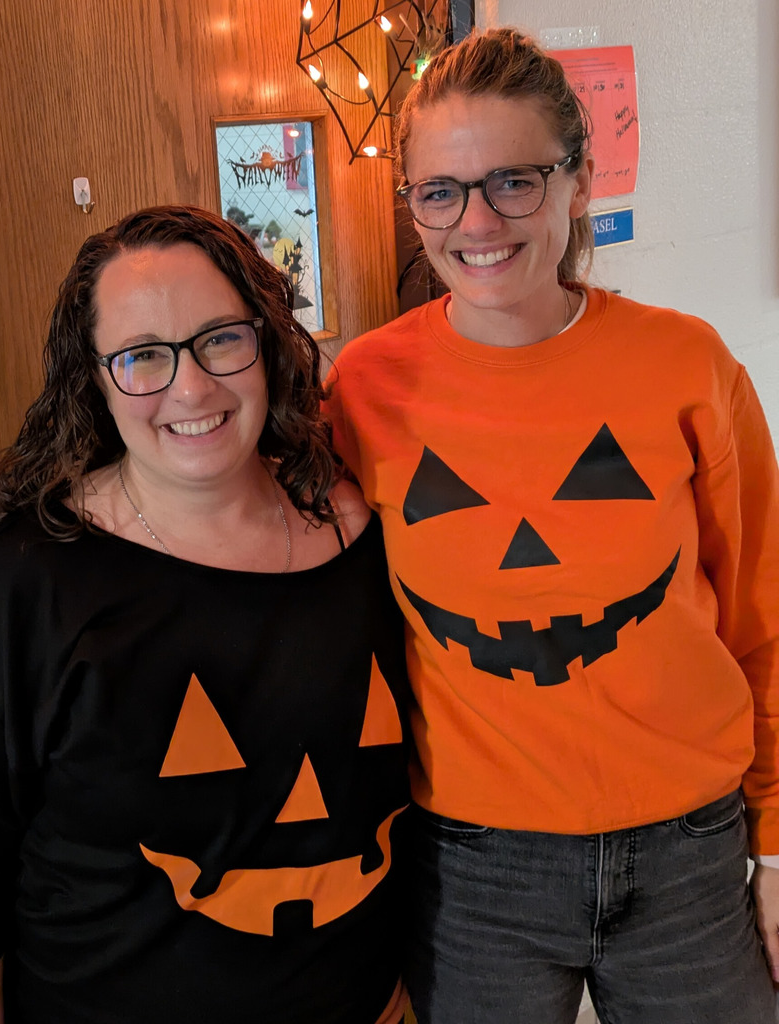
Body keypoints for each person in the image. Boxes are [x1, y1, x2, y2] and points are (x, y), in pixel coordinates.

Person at [326, 26, 779, 1024]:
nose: (474, 220)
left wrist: (777, 838)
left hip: (688, 849)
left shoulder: (685, 366)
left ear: (577, 181)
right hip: (475, 865)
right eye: (439, 191)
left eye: (512, 182)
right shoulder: (363, 389)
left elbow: (762, 616)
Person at [0, 205, 411, 1024]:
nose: (192, 386)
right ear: (96, 380)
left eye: (219, 338)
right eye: (143, 356)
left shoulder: (358, 530)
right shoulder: (28, 584)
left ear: (268, 341)